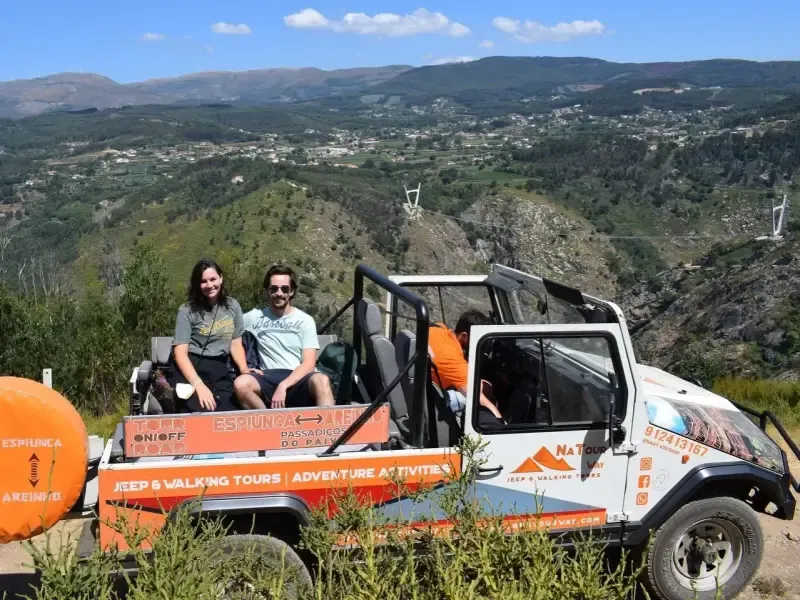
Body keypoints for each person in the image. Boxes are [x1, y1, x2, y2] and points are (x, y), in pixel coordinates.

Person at [234, 265, 334, 410]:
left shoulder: (304, 320)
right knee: (241, 384)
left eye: (284, 289)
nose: (278, 293)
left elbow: (309, 363)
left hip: (297, 376)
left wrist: (284, 385)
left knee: (322, 380)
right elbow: (231, 333)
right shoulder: (254, 317)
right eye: (273, 289)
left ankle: (327, 429)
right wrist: (243, 367)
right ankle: (268, 425)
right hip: (267, 376)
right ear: (267, 291)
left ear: (292, 291)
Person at [168, 258, 250, 413]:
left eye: (213, 279)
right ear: (197, 285)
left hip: (219, 369)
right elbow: (180, 353)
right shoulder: (186, 311)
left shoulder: (233, 306)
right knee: (203, 412)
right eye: (203, 281)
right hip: (190, 369)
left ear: (221, 277)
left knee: (229, 411)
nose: (209, 285)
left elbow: (235, 343)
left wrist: (245, 370)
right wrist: (198, 386)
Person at [428, 309, 504, 426]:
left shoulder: (437, 328)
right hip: (437, 397)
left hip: (431, 384)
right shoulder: (454, 362)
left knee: (486, 386)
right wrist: (502, 423)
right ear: (464, 336)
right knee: (485, 398)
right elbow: (480, 400)